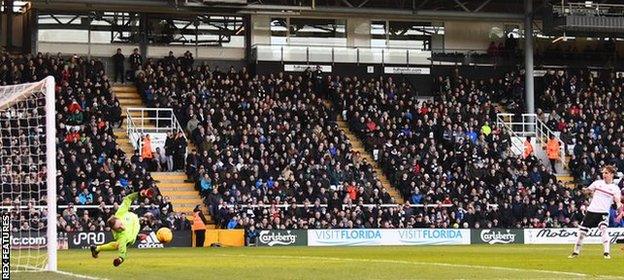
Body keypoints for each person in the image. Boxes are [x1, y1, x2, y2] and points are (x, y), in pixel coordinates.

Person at [90, 189, 155, 266]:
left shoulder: (120, 213)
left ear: (118, 218)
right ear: (115, 230)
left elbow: (128, 198)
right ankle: (97, 249)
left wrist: (140, 194)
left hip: (133, 219)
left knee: (118, 243)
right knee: (119, 244)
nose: (122, 227)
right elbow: (122, 253)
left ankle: (96, 249)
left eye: (120, 224)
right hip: (131, 231)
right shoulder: (122, 237)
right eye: (119, 228)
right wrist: (120, 259)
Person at [569, 165, 622, 259]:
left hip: (603, 212)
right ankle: (575, 252)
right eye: (603, 173)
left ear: (612, 174)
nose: (604, 174)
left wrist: (619, 211)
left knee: (604, 229)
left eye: (606, 173)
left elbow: (618, 202)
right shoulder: (597, 183)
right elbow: (587, 191)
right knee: (582, 233)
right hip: (591, 211)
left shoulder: (615, 188)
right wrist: (582, 189)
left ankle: (606, 253)